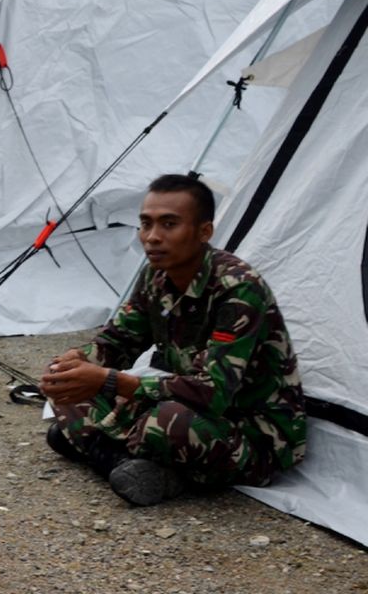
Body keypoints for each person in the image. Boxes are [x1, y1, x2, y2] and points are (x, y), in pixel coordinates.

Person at [40, 174, 306, 506]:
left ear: (204, 232)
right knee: (67, 384)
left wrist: (109, 381)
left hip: (253, 432)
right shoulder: (156, 275)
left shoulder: (238, 289)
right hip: (187, 404)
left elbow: (213, 393)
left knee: (167, 421)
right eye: (145, 224)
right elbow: (120, 339)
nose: (152, 238)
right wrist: (77, 361)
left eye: (169, 224)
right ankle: (124, 462)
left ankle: (98, 446)